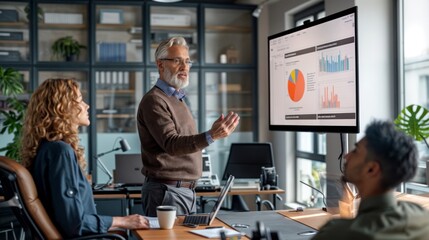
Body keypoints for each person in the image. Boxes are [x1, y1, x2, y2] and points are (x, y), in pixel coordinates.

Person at [20, 78, 150, 238]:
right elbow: (75, 223)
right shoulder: (60, 152)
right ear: (63, 108)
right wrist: (122, 221)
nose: (86, 106)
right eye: (80, 100)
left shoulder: (47, 148)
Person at [137, 36, 240, 217]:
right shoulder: (155, 100)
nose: (185, 67)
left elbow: (185, 141)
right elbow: (172, 144)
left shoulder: (178, 98)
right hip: (167, 192)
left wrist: (211, 133)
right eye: (177, 61)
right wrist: (211, 135)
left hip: (181, 191)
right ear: (160, 65)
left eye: (187, 61)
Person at [312, 120, 429, 240]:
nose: (347, 156)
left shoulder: (337, 233)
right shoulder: (422, 219)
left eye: (355, 151)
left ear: (372, 169)